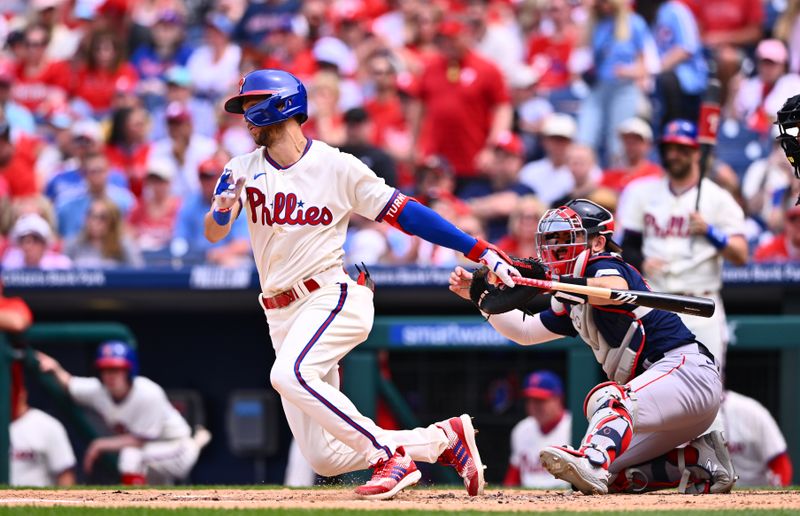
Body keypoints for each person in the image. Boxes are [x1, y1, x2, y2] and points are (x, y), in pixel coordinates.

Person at [206, 69, 522, 500]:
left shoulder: (336, 165)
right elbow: (214, 232)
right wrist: (222, 211)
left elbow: (405, 212)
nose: (245, 116)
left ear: (279, 105)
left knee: (289, 374)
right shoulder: (240, 168)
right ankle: (442, 441)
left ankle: (389, 459)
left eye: (251, 105)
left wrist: (478, 248)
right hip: (279, 314)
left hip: (330, 296)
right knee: (325, 457)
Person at [449, 198, 736, 495]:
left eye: (564, 240)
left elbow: (614, 291)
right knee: (612, 474)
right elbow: (526, 331)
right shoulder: (571, 293)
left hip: (686, 373)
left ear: (598, 242)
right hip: (662, 401)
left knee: (607, 399)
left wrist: (554, 281)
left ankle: (592, 461)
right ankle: (700, 459)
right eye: (551, 241)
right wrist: (479, 300)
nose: (555, 249)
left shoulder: (605, 265)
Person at [619, 120, 748, 370]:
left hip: (700, 305)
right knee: (649, 391)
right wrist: (642, 262)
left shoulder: (717, 198)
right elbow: (626, 248)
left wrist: (710, 231)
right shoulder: (641, 192)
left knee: (707, 393)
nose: (673, 155)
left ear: (696, 153)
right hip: (655, 304)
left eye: (681, 149)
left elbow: (741, 254)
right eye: (669, 148)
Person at [36, 341, 211, 485]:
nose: (110, 376)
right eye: (105, 370)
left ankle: (195, 443)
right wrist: (55, 367)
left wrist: (99, 445)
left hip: (176, 447)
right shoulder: (99, 391)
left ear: (128, 371)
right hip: (152, 453)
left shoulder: (148, 392)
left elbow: (139, 440)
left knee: (130, 456)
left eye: (116, 370)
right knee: (157, 496)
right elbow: (70, 384)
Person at [503, 370, 572, 489]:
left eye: (541, 400)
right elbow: (513, 477)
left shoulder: (573, 426)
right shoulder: (521, 429)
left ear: (558, 399)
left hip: (566, 497)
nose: (535, 406)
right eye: (531, 400)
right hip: (528, 497)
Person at [720, 390, 793, 487]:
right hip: (710, 498)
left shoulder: (752, 411)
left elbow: (780, 461)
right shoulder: (694, 414)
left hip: (756, 494)